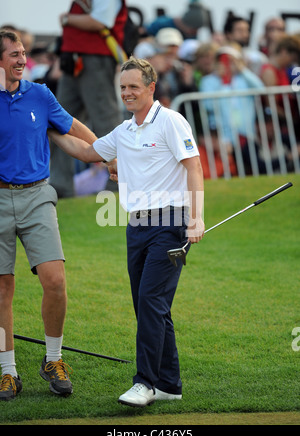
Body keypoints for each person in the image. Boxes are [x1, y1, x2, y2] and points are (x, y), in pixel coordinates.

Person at [48, 56, 205, 407]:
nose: (127, 93)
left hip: (170, 223)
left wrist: (197, 218)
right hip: (136, 226)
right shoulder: (125, 130)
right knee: (149, 305)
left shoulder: (171, 122)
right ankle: (169, 384)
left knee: (151, 303)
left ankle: (146, 383)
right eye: (123, 87)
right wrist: (49, 129)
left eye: (134, 86)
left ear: (151, 87)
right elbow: (88, 151)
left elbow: (194, 166)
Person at [0, 30, 98, 401]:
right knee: (2, 289)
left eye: (23, 53)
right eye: (14, 55)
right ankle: (7, 370)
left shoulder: (40, 94)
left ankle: (53, 360)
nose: (22, 60)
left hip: (38, 195)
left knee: (55, 280)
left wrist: (107, 155)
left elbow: (74, 131)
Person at [49, 0, 128, 198]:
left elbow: (101, 21)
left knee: (106, 122)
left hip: (95, 60)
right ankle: (60, 186)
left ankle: (123, 180)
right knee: (59, 122)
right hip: (76, 60)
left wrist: (67, 19)